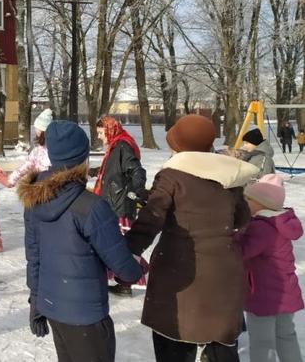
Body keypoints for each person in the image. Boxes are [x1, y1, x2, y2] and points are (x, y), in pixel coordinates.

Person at [124, 114, 259, 362]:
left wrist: (126, 252)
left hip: (180, 271)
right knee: (221, 347)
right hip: (224, 274)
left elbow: (151, 220)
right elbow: (241, 219)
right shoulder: (229, 175)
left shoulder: (172, 175)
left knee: (174, 342)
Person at [18, 120, 143, 362]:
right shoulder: (91, 206)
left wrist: (36, 300)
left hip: (53, 307)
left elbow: (33, 256)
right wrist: (136, 267)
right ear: (82, 157)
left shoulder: (34, 201)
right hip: (87, 315)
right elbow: (123, 266)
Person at [237, 174, 303, 362]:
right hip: (285, 293)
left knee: (262, 341)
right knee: (286, 336)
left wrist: (236, 235)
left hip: (264, 297)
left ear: (260, 203)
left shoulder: (261, 227)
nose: (246, 203)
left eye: (248, 199)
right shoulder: (281, 222)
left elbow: (243, 251)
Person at [92, 116, 148, 296]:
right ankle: (123, 282)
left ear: (110, 130)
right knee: (117, 245)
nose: (100, 137)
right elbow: (113, 172)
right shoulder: (117, 145)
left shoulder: (122, 146)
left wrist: (136, 190)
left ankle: (132, 276)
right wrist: (92, 172)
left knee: (120, 246)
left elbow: (136, 170)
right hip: (114, 201)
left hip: (120, 203)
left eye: (101, 133)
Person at [8, 109, 51, 186]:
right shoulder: (38, 149)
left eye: (37, 128)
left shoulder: (51, 150)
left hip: (47, 187)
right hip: (37, 186)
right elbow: (28, 164)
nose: (35, 130)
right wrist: (14, 177)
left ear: (43, 130)